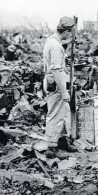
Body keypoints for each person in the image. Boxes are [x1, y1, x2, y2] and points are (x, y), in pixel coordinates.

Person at [43, 17, 77, 152]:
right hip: (57, 84)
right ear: (66, 32)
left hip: (55, 82)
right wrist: (64, 92)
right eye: (70, 33)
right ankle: (51, 148)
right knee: (55, 115)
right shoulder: (56, 47)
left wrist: (70, 42)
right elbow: (56, 70)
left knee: (64, 113)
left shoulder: (52, 40)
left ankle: (63, 141)